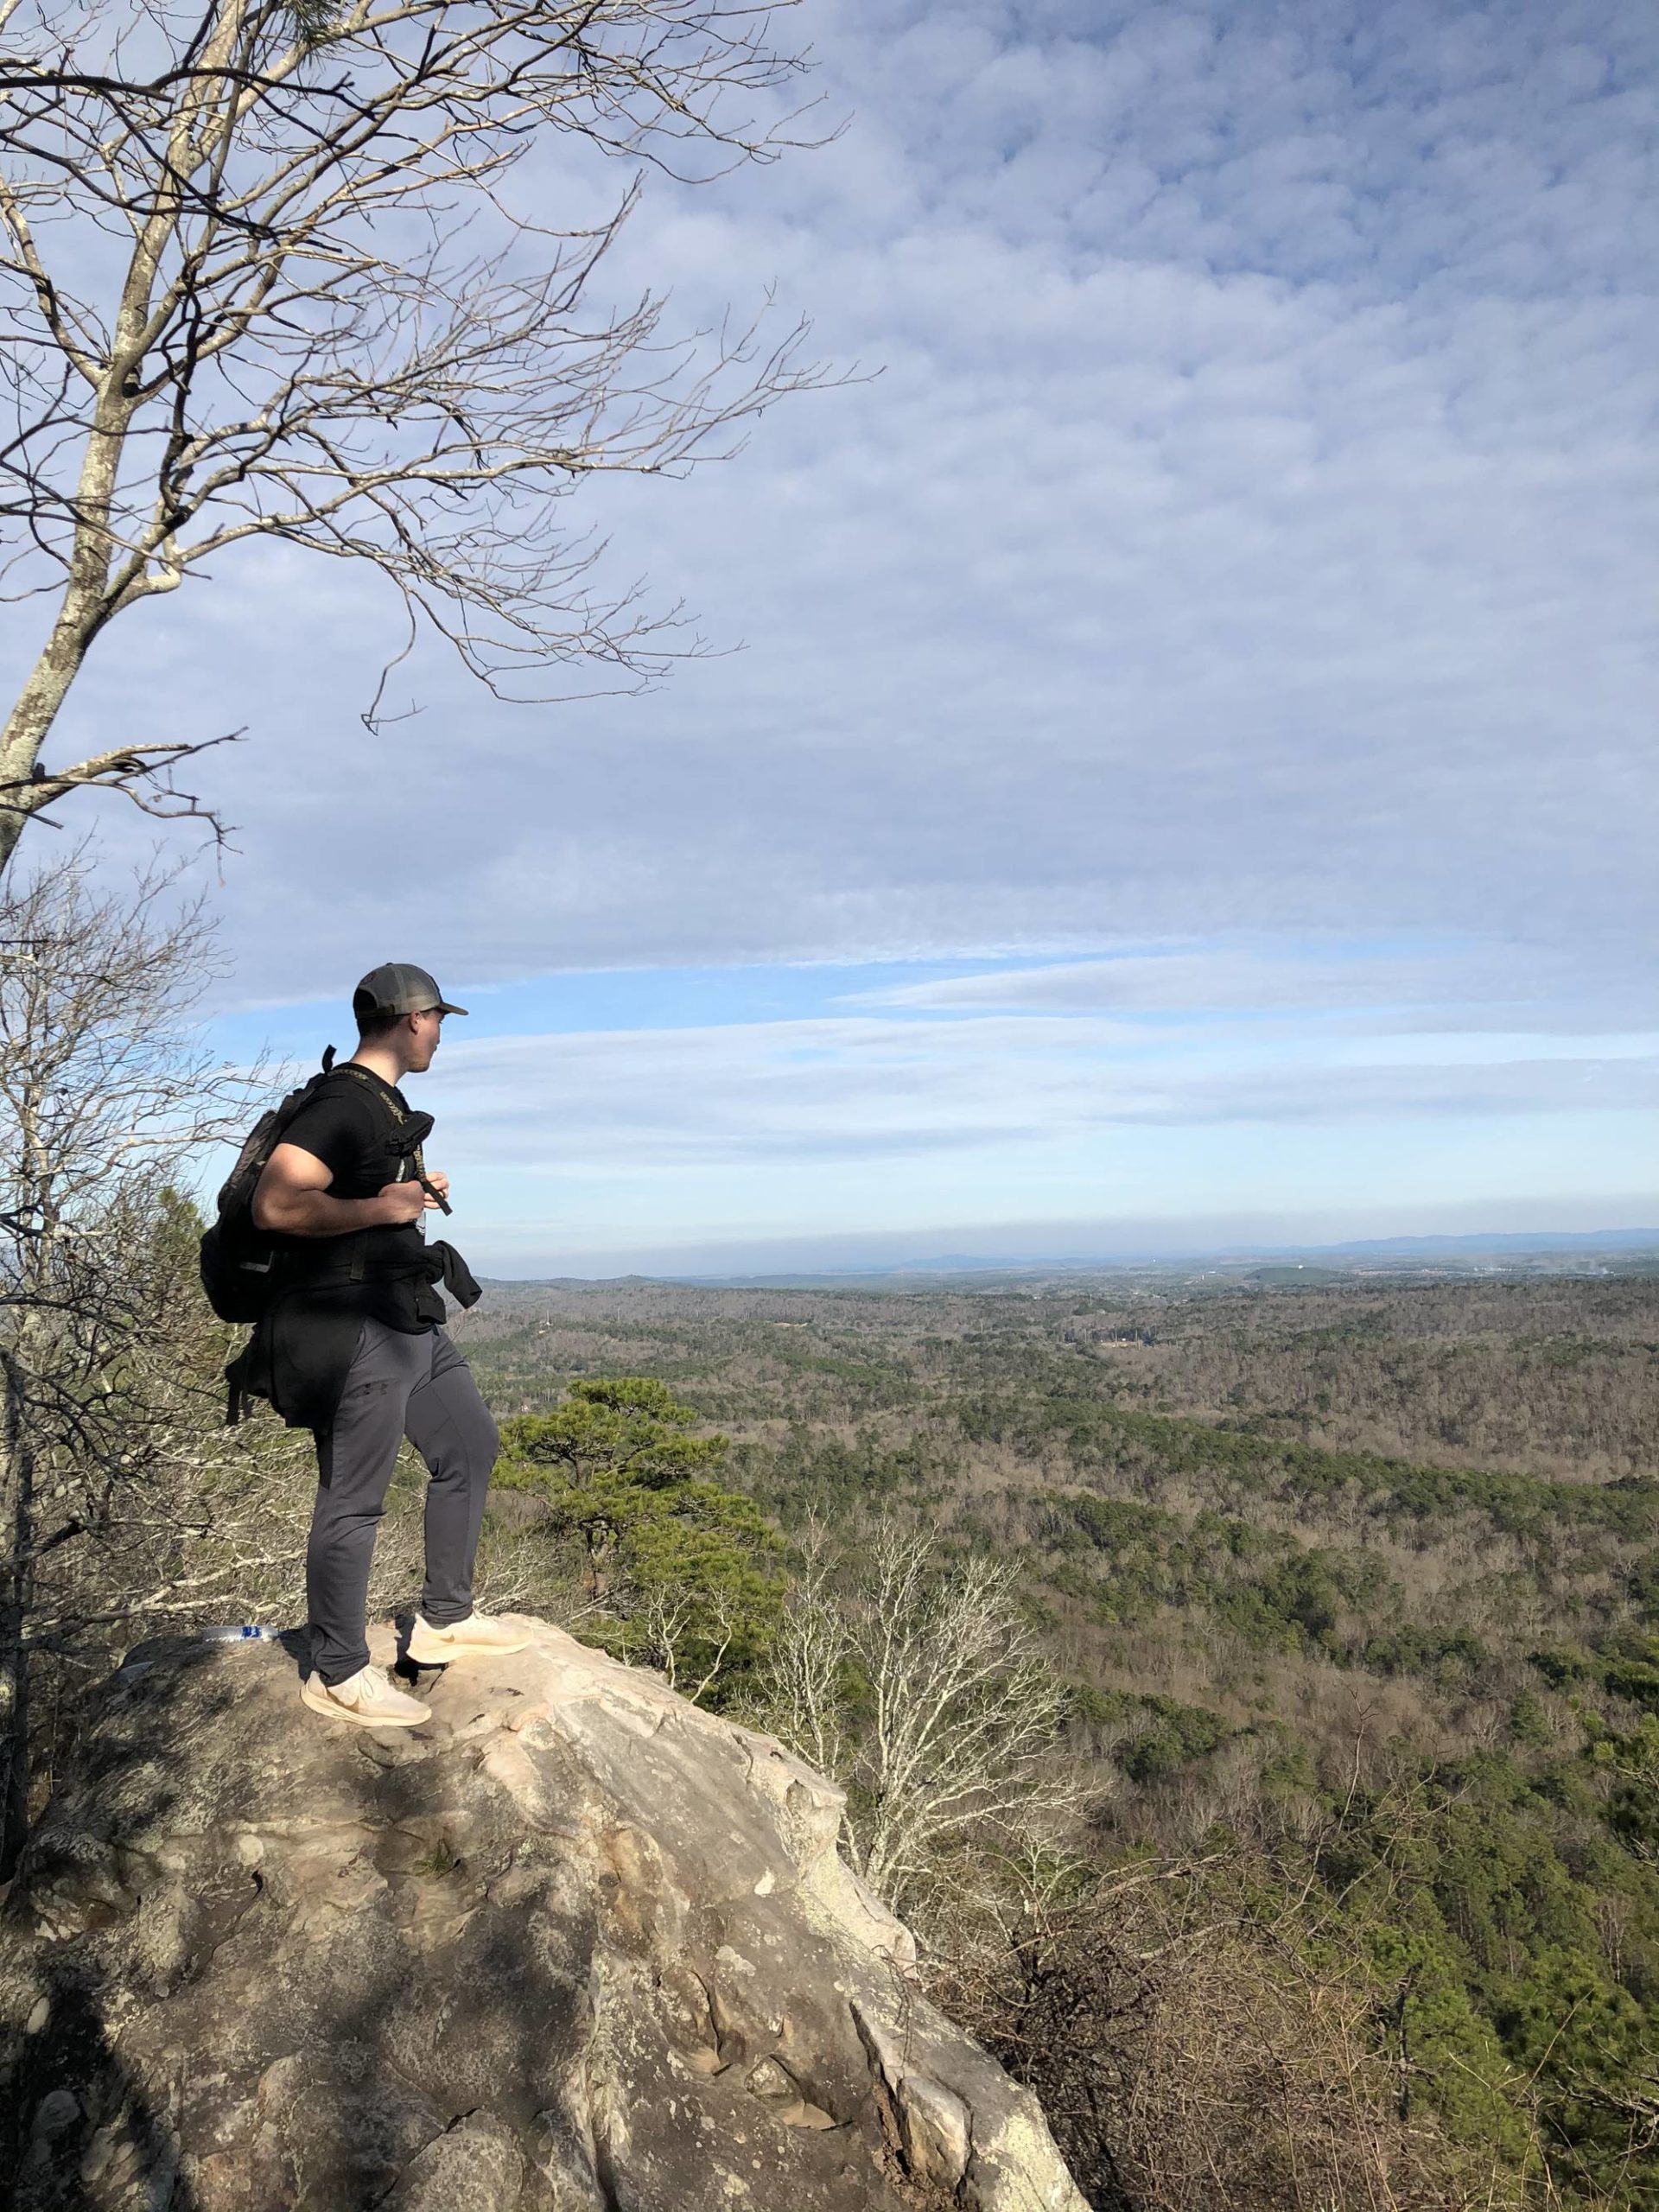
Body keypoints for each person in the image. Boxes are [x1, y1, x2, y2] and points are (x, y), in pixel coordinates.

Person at [249, 962, 526, 1728]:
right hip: (354, 1327)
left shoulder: (380, 1103)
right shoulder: (342, 1104)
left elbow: (350, 1196)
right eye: (440, 1019)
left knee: (469, 1444)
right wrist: (384, 1204)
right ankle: (337, 1669)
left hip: (405, 1315)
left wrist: (404, 1194)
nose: (441, 1034)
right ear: (414, 1019)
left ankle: (445, 1618)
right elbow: (276, 1205)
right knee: (355, 1502)